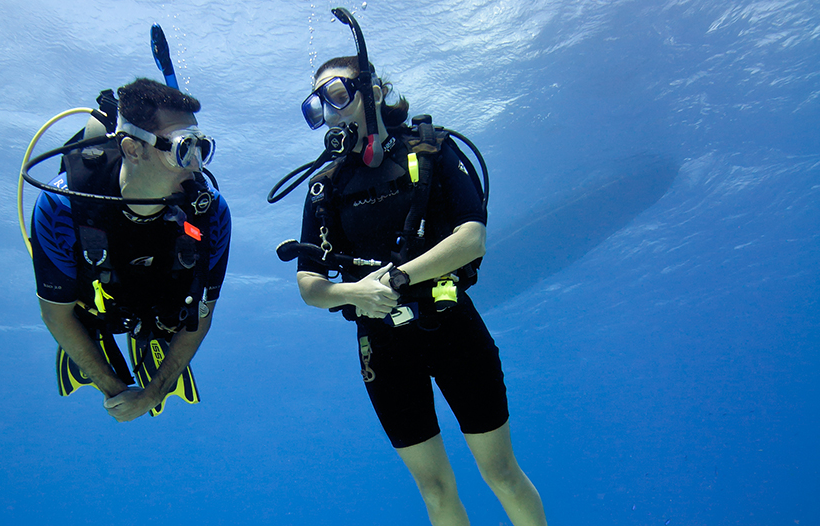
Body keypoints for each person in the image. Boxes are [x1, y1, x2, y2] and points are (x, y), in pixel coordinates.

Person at [292, 54, 548, 525]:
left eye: (337, 94)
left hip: (451, 325)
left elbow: (472, 238)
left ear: (375, 91)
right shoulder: (325, 187)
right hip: (382, 347)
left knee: (501, 472)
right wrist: (355, 294)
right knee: (433, 489)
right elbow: (310, 284)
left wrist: (398, 278)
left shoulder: (431, 151)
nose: (331, 111)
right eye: (318, 104)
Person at [30, 78, 231, 422]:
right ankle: (93, 340)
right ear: (133, 148)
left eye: (201, 148)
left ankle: (152, 331)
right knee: (80, 312)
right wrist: (113, 389)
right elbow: (55, 314)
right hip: (94, 301)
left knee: (174, 312)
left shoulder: (211, 212)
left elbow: (203, 313)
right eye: (182, 148)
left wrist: (153, 393)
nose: (196, 165)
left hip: (164, 303)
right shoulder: (61, 204)